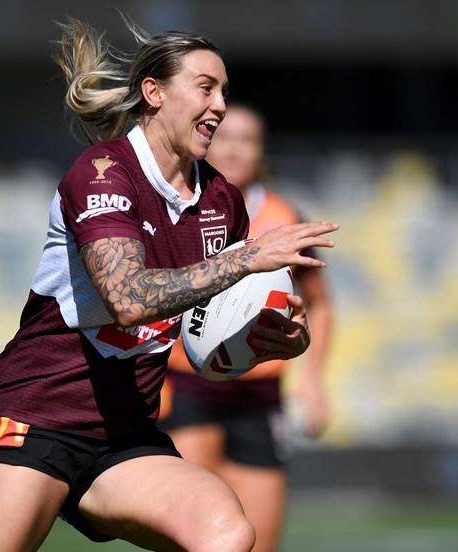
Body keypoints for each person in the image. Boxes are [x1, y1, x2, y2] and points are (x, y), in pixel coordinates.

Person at [0, 16, 337, 552]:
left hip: (125, 438)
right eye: (205, 88)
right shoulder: (103, 172)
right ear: (154, 93)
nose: (220, 105)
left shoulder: (222, 201)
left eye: (224, 91)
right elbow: (128, 300)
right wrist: (248, 258)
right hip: (35, 417)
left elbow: (206, 329)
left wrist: (279, 335)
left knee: (227, 535)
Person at [160, 103, 334, 552]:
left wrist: (312, 379)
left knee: (258, 542)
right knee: (190, 537)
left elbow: (319, 303)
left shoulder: (285, 215)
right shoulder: (177, 209)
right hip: (190, 388)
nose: (236, 149)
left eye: (248, 140)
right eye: (225, 137)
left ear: (262, 151)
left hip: (259, 397)